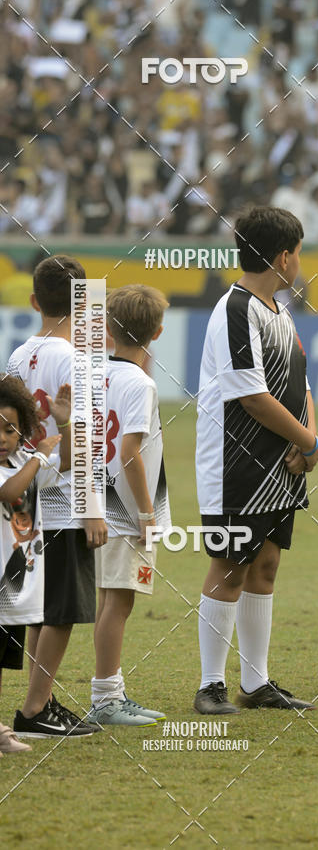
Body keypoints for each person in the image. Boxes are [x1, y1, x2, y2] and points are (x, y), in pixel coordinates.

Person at [194, 205, 318, 714]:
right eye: (298, 252)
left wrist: (307, 436)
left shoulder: (280, 311)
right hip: (236, 462)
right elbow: (251, 396)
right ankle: (210, 686)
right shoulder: (237, 308)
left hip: (281, 461)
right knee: (230, 565)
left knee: (265, 563)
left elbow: (299, 384)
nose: (299, 263)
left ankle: (255, 683)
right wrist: (309, 444)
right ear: (283, 256)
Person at [7, 255, 105, 738]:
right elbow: (81, 436)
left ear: (33, 302)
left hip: (29, 491)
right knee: (64, 608)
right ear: (83, 305)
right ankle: (34, 710)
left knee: (36, 606)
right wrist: (91, 508)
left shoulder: (16, 355)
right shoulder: (78, 358)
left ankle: (39, 698)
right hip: (64, 495)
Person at [89, 285, 171, 725]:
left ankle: (110, 692)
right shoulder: (139, 383)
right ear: (157, 332)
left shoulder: (99, 371)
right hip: (125, 508)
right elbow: (130, 451)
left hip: (98, 500)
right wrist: (146, 513)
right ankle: (106, 698)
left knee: (108, 599)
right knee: (119, 603)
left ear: (106, 329)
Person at [0, 375, 80, 742]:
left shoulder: (24, 460)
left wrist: (64, 421)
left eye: (11, 429)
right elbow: (9, 491)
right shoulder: (20, 467)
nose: (3, 437)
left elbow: (70, 463)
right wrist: (38, 457)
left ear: (23, 431)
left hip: (16, 590)